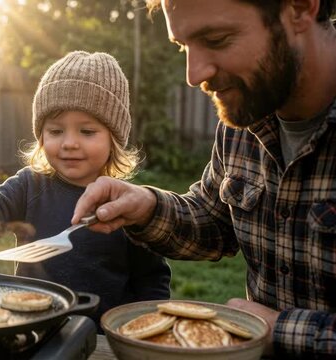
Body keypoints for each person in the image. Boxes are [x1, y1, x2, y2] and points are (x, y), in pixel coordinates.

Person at [71, 0, 336, 357]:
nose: (194, 75)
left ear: (301, 8)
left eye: (217, 38)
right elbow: (214, 223)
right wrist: (146, 207)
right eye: (183, 46)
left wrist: (281, 330)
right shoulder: (246, 116)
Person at [0, 51, 171, 327]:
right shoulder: (29, 185)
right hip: (31, 330)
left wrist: (147, 325)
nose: (69, 143)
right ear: (41, 135)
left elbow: (152, 279)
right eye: (56, 131)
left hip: (102, 340)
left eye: (87, 131)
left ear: (114, 139)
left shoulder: (128, 204)